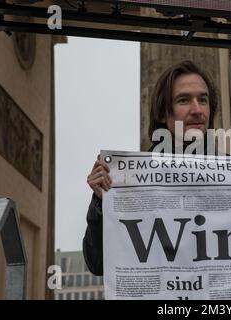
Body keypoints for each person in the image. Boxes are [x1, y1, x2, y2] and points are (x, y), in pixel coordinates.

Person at [83, 60, 220, 275]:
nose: (197, 110)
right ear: (162, 113)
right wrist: (102, 203)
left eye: (203, 100)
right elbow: (97, 263)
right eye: (184, 100)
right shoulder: (127, 178)